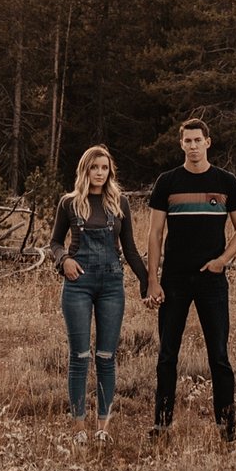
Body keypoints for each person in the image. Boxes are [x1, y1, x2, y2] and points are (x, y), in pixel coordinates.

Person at [143, 117, 236, 441]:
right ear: (181, 145)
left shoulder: (226, 182)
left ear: (208, 142)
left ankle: (227, 428)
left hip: (211, 281)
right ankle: (161, 424)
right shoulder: (167, 182)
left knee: (218, 355)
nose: (192, 146)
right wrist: (152, 280)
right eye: (186, 141)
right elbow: (155, 233)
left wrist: (222, 261)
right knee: (167, 355)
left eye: (197, 140)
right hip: (174, 278)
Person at [48, 144, 148, 441]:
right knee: (79, 356)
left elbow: (129, 248)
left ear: (110, 171)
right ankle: (79, 428)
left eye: (104, 168)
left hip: (111, 285)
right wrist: (63, 260)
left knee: (106, 356)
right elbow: (54, 242)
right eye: (95, 168)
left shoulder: (120, 203)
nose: (100, 173)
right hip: (78, 284)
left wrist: (147, 282)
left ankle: (102, 428)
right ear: (85, 170)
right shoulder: (69, 203)